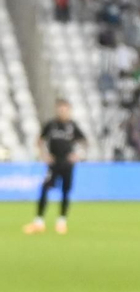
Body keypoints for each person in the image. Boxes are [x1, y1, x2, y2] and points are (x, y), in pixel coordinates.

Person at [24, 99, 85, 235]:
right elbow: (39, 140)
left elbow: (84, 141)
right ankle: (39, 222)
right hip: (53, 163)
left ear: (69, 110)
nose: (62, 112)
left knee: (65, 192)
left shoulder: (73, 126)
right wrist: (44, 155)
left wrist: (77, 155)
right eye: (60, 109)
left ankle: (61, 222)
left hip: (67, 164)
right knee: (45, 189)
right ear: (57, 110)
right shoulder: (51, 125)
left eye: (65, 109)